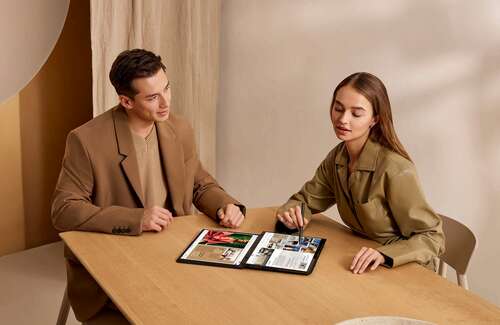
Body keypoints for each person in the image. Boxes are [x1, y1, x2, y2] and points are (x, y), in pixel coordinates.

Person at [51, 49, 245, 324]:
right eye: (153, 97)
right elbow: (64, 210)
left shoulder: (179, 129)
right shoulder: (86, 140)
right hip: (117, 264)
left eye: (166, 89)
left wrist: (226, 204)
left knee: (230, 303)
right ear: (126, 101)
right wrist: (135, 218)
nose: (165, 102)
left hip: (173, 255)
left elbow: (199, 184)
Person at [275, 72, 445, 275]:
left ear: (374, 119)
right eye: (338, 109)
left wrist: (384, 254)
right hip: (362, 262)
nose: (343, 119)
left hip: (405, 268)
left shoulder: (395, 169)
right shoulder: (338, 158)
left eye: (356, 114)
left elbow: (432, 237)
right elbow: (305, 200)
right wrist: (293, 214)